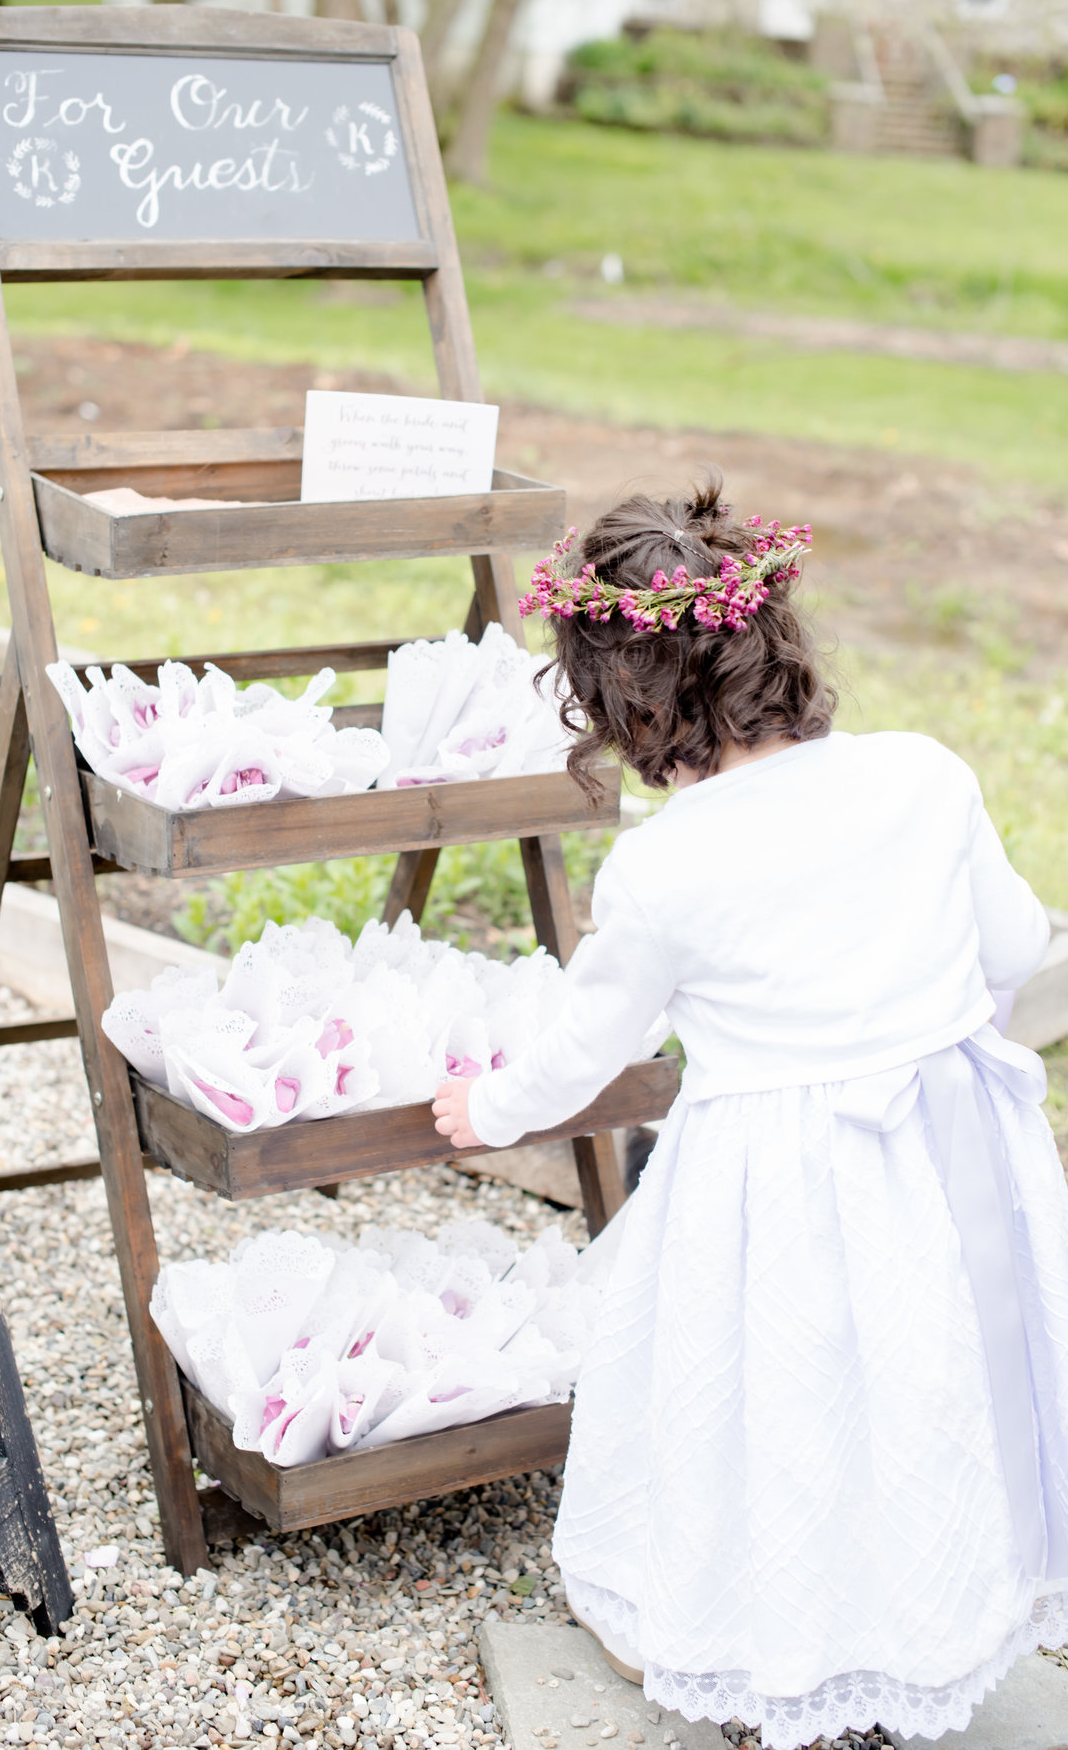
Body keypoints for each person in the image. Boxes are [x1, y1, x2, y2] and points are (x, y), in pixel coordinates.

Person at [432, 476, 1068, 1749]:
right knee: (922, 1387)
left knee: (774, 1402)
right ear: (777, 641)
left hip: (775, 1183)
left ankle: (757, 1632)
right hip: (952, 1155)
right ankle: (932, 1612)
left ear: (620, 704)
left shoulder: (665, 866)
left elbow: (582, 1051)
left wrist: (482, 1105)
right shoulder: (924, 778)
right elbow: (1014, 943)